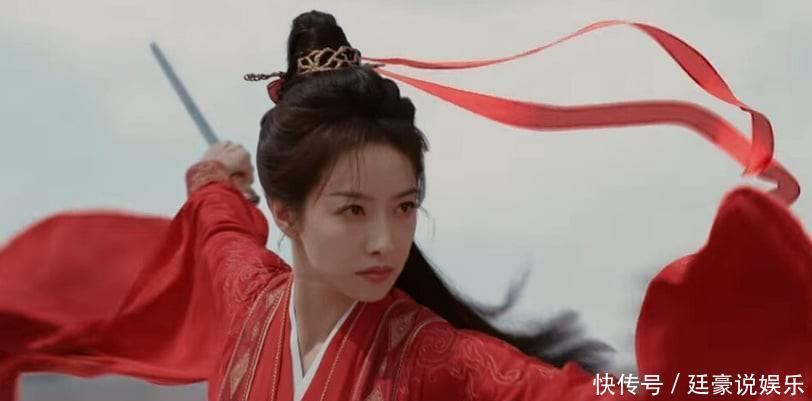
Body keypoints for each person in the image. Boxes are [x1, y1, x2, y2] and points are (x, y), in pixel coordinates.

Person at [1, 10, 810, 401]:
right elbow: (218, 222)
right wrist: (216, 174)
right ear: (285, 212)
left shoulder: (436, 360)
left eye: (405, 205)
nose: (385, 240)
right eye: (352, 210)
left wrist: (734, 384)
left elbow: (576, 397)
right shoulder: (247, 294)